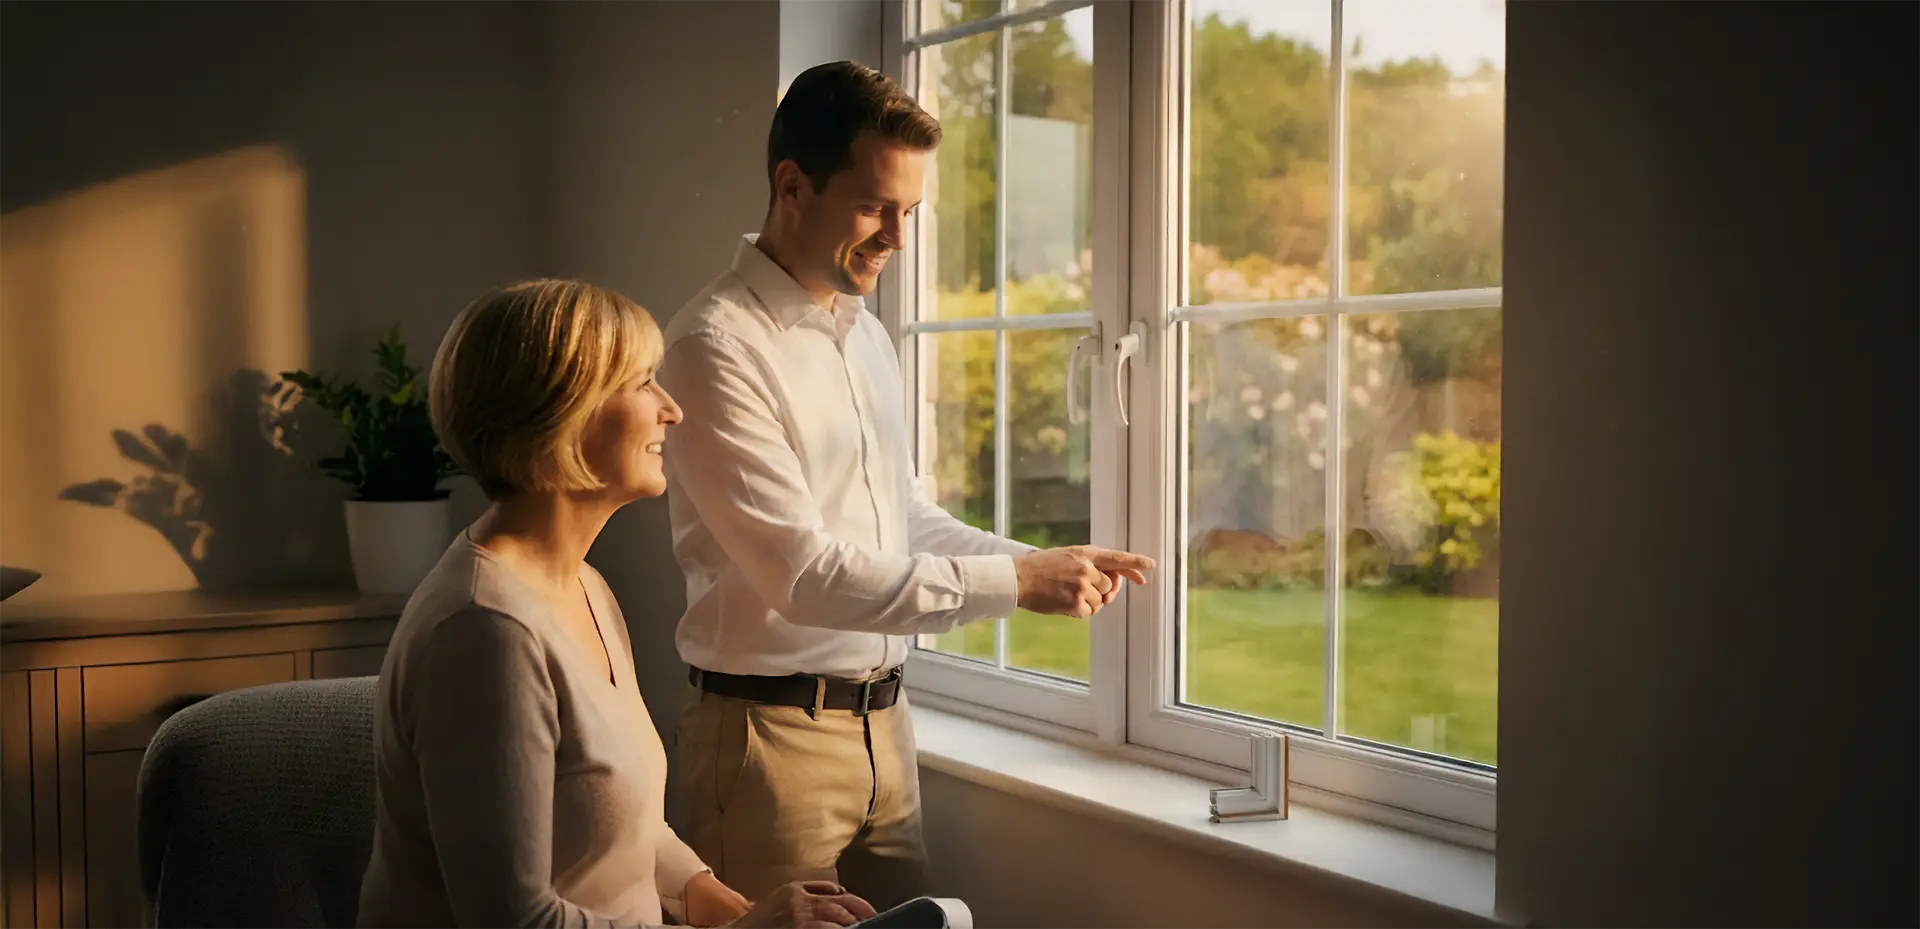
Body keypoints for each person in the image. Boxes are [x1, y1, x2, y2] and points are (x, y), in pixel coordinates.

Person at [659, 61, 1157, 911]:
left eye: (910, 212)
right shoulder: (715, 347)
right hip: (765, 747)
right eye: (874, 206)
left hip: (886, 731)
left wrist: (1039, 561)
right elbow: (804, 576)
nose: (897, 234)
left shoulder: (865, 337)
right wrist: (1016, 585)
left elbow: (902, 520)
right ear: (791, 185)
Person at [356, 279, 879, 929]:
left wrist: (716, 900)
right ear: (562, 412)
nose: (672, 409)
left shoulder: (585, 586)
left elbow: (623, 823)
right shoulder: (485, 631)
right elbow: (514, 921)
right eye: (642, 383)